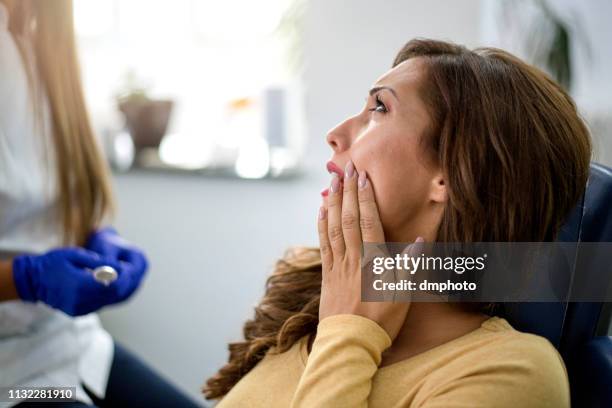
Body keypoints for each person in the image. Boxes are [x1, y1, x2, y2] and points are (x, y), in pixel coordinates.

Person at [204, 38, 591, 407]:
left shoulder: (512, 374)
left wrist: (348, 334)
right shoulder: (310, 294)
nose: (335, 135)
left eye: (379, 109)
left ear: (454, 174)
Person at [0, 1, 199, 406]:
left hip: (68, 345)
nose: (335, 134)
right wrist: (25, 278)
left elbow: (51, 198)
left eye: (371, 104)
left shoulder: (40, 46)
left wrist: (100, 237)